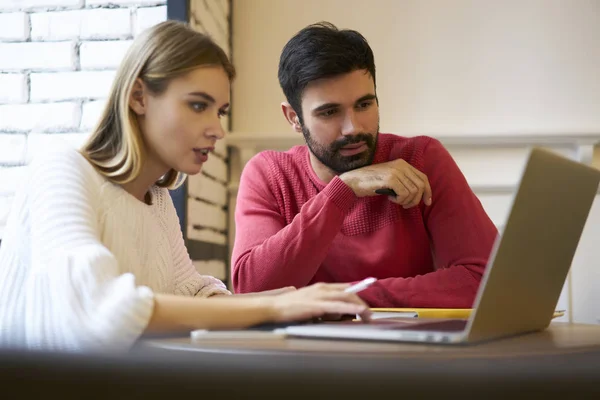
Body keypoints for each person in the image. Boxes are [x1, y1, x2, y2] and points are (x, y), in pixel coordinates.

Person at [0, 21, 370, 352]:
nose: (217, 130)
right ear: (139, 96)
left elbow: (192, 292)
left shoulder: (156, 201)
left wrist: (302, 301)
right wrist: (275, 307)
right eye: (198, 106)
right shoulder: (62, 171)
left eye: (220, 111)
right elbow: (99, 310)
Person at [231, 22, 498, 308]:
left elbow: (486, 281)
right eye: (330, 112)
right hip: (306, 353)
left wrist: (351, 297)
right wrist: (343, 190)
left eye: (364, 105)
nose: (353, 128)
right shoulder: (270, 174)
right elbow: (252, 290)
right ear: (294, 118)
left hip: (410, 350)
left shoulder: (422, 158)